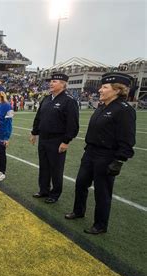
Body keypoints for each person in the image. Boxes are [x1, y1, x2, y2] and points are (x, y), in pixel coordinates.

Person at [65, 72, 136, 234]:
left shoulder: (124, 110)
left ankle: (100, 225)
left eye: (104, 87)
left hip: (106, 156)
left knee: (102, 192)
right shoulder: (102, 107)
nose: (100, 90)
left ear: (117, 90)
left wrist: (119, 160)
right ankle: (78, 211)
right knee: (81, 183)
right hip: (90, 152)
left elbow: (127, 138)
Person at [30, 73, 79, 204]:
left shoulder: (69, 101)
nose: (51, 83)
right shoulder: (46, 99)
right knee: (44, 166)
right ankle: (43, 190)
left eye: (55, 81)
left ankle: (55, 193)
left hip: (57, 140)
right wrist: (34, 132)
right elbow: (39, 117)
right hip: (44, 138)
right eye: (51, 81)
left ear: (63, 84)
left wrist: (66, 141)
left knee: (56, 168)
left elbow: (72, 124)